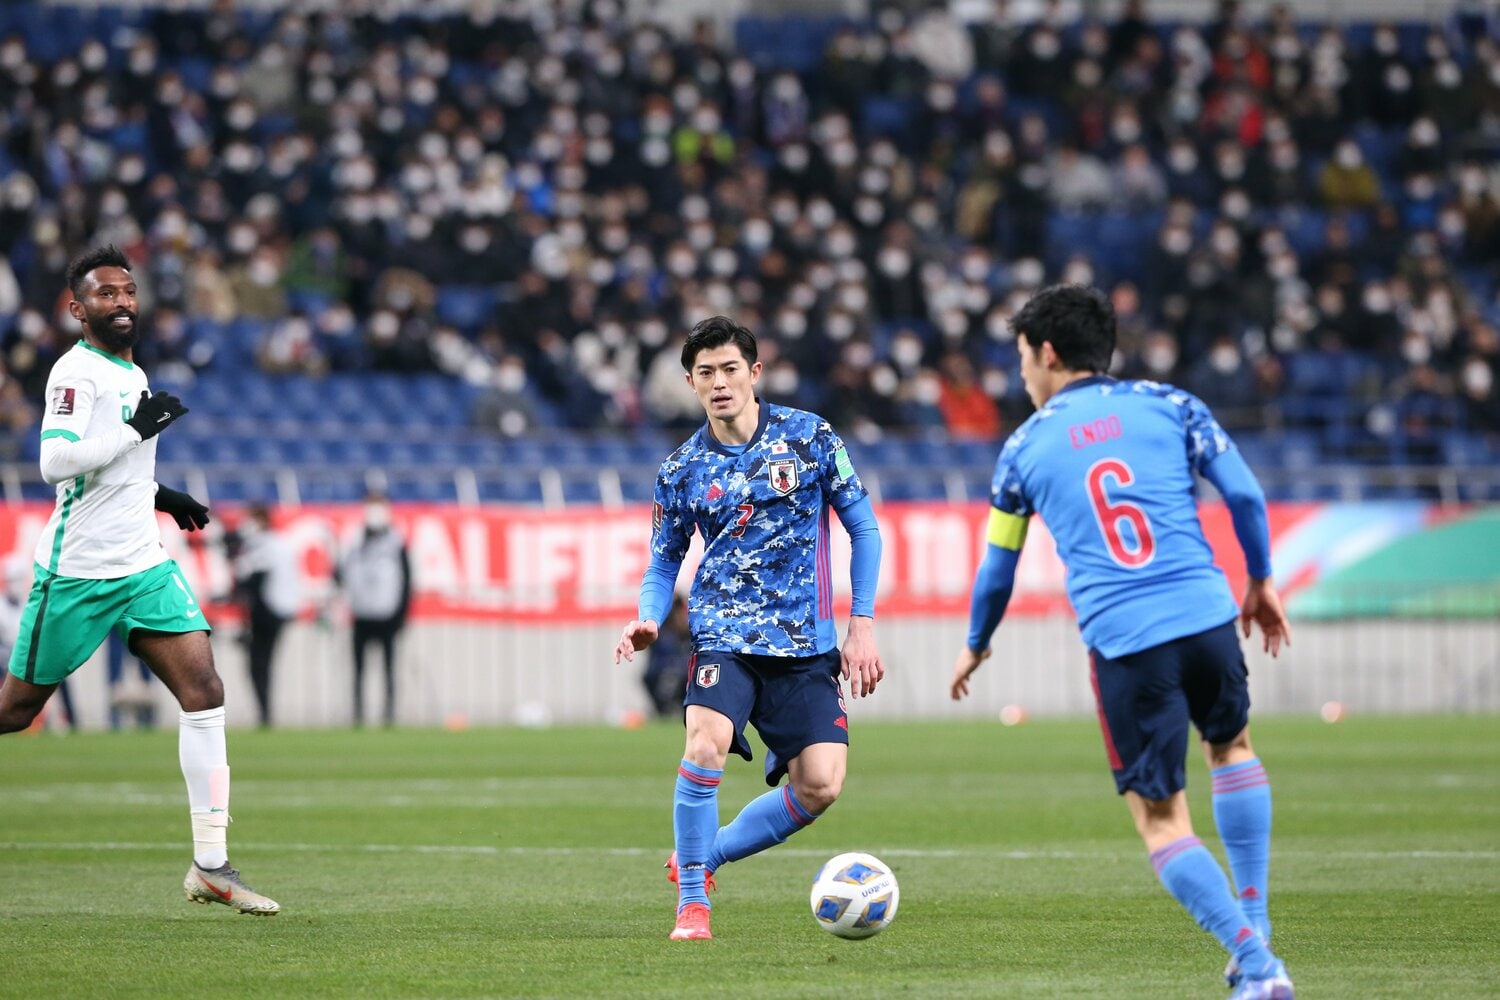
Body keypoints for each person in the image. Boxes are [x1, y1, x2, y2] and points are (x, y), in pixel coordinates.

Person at [949, 285, 1292, 1000]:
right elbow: (1249, 498)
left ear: (1047, 353)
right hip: (1206, 616)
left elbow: (997, 568)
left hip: (1128, 639)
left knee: (1161, 820)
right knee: (1232, 748)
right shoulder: (1172, 406)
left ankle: (1257, 965)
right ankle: (1256, 926)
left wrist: (978, 643)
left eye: (1020, 360)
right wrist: (1259, 580)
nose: (1021, 377)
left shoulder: (1023, 449)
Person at [0, 245, 279, 914]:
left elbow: (119, 468)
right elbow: (56, 462)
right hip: (78, 573)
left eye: (127, 291)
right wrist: (134, 432)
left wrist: (164, 492)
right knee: (13, 711)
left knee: (204, 690)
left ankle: (211, 864)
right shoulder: (76, 373)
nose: (122, 301)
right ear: (77, 309)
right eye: (105, 294)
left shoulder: (133, 370)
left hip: (142, 565)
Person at [613, 315, 885, 942]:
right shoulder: (680, 469)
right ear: (691, 382)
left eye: (730, 368)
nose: (719, 382)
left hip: (804, 647)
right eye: (705, 372)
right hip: (722, 638)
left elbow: (864, 528)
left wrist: (861, 623)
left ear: (755, 373)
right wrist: (650, 617)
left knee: (819, 786)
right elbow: (663, 558)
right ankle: (692, 906)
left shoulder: (810, 438)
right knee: (703, 743)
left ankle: (703, 858)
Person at [335, 490, 410, 727]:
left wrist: (401, 615)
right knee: (359, 669)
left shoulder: (397, 540)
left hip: (387, 614)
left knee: (389, 669)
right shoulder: (354, 539)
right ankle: (358, 714)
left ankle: (389, 714)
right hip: (361, 613)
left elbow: (407, 580)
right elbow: (340, 572)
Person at [229, 502, 300, 729]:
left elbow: (252, 580)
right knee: (261, 664)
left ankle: (265, 713)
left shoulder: (265, 546)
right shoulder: (276, 543)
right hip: (273, 612)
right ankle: (264, 712)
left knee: (259, 663)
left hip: (267, 613)